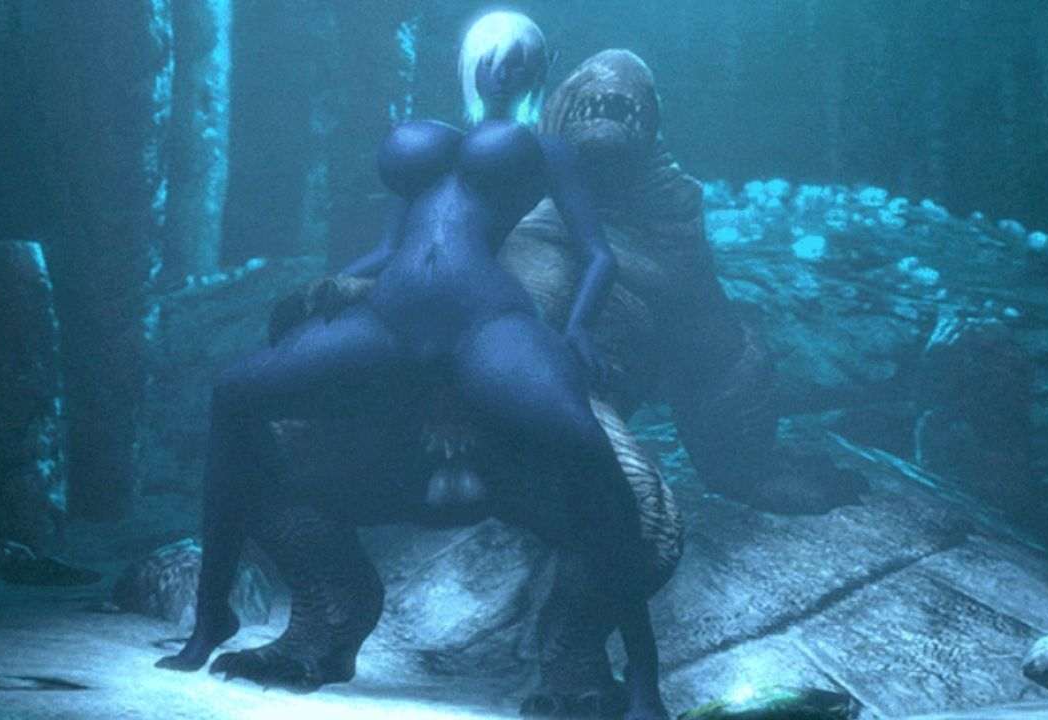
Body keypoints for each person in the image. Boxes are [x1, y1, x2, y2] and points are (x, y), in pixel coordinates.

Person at [158, 11, 667, 719]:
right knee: (234, 392)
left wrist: (578, 327)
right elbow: (391, 248)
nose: (504, 69)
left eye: (520, 58)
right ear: (471, 60)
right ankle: (212, 614)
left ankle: (642, 674)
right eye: (493, 55)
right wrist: (334, 283)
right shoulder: (433, 139)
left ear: (538, 68)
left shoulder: (546, 148)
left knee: (586, 445)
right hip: (390, 317)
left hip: (485, 319)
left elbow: (598, 254)